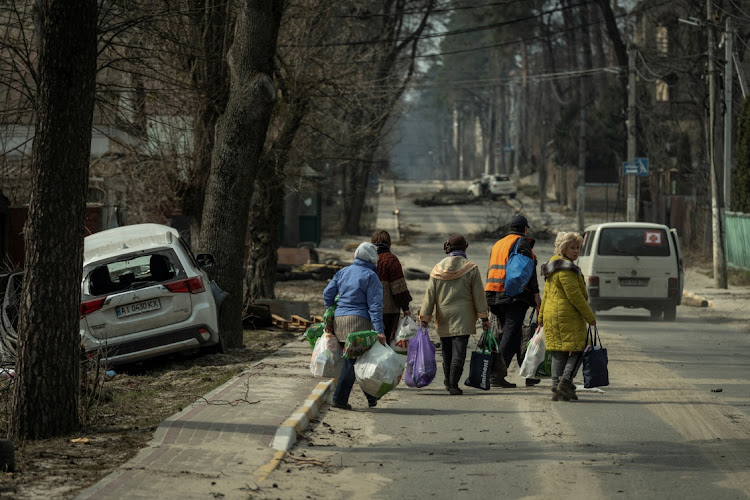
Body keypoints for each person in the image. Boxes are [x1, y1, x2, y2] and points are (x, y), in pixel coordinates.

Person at [419, 234, 490, 395]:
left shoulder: (437, 268)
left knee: (447, 352)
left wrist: (425, 317)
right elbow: (479, 295)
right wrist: (484, 317)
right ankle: (453, 384)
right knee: (459, 352)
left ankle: (447, 381)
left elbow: (430, 295)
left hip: (443, 316)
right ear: (465, 248)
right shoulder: (471, 268)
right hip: (463, 318)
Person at [323, 242, 386, 410]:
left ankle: (371, 397)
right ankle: (339, 399)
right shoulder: (371, 276)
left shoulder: (342, 272)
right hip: (359, 323)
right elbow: (375, 306)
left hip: (340, 320)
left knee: (356, 360)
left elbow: (327, 293)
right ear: (373, 258)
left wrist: (332, 309)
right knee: (352, 362)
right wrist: (379, 330)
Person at [485, 214, 542, 388]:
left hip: (493, 294)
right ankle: (497, 375)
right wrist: (536, 293)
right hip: (513, 295)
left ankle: (529, 374)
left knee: (513, 333)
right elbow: (527, 269)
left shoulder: (499, 243)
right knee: (510, 335)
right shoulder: (521, 242)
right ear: (525, 229)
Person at [538, 231, 597, 401]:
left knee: (559, 351)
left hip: (552, 314)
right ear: (563, 249)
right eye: (572, 247)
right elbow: (575, 296)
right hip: (566, 315)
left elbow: (547, 294)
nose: (576, 251)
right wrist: (589, 316)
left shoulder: (552, 266)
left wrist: (541, 317)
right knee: (580, 349)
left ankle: (557, 386)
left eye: (578, 247)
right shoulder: (566, 269)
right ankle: (565, 382)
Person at [370, 230, 412, 344]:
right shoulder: (390, 260)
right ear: (389, 243)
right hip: (388, 311)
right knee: (386, 342)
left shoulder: (367, 259)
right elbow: (398, 286)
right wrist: (405, 307)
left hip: (369, 310)